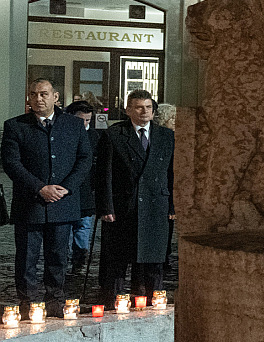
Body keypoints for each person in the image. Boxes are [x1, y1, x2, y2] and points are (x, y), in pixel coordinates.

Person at [3, 79, 91, 311]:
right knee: (26, 259)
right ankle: (27, 303)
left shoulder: (73, 125)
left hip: (62, 203)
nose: (38, 99)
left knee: (58, 257)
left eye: (43, 94)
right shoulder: (15, 126)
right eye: (33, 94)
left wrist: (67, 187)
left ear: (56, 97)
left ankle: (55, 300)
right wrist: (39, 188)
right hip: (29, 203)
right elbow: (11, 163)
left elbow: (84, 159)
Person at [93, 90, 175, 306]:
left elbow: (173, 173)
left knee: (153, 261)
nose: (144, 111)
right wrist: (106, 207)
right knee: (117, 261)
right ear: (128, 110)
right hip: (123, 207)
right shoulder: (114, 135)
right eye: (139, 107)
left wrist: (173, 206)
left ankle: (152, 303)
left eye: (148, 107)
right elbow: (104, 174)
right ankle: (114, 304)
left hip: (156, 207)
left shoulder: (166, 136)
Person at [64, 100, 100, 273]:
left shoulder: (94, 136)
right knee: (66, 226)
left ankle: (80, 256)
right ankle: (65, 256)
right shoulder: (63, 134)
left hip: (87, 190)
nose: (85, 124)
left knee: (83, 225)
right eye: (81, 120)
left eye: (87, 120)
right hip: (66, 189)